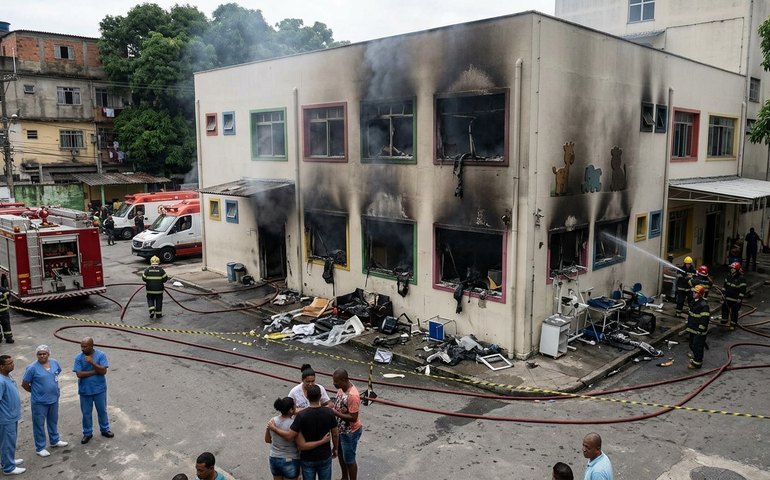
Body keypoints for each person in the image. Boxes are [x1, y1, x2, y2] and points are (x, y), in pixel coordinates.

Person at [21, 345, 68, 457]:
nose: (42, 356)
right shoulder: (32, 368)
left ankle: (54, 440)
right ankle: (40, 447)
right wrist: (37, 392)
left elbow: (56, 374)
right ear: (37, 355)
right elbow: (25, 384)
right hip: (39, 402)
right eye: (39, 354)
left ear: (48, 354)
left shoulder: (55, 363)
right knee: (39, 424)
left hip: (53, 399)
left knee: (53, 420)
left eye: (44, 353)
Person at [289, 385, 339, 480]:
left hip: (307, 457)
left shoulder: (301, 416)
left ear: (307, 396)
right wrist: (335, 448)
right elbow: (335, 433)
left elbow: (293, 435)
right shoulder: (329, 413)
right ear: (320, 396)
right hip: (325, 455)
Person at [73, 337, 113, 444]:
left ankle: (105, 429)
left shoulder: (101, 355)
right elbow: (79, 374)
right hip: (85, 391)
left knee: (102, 411)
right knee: (86, 413)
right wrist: (95, 372)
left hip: (99, 389)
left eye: (85, 347)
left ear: (91, 346)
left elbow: (104, 371)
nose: (82, 349)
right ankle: (87, 433)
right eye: (81, 346)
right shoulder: (78, 358)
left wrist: (92, 362)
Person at [332, 369, 362, 480]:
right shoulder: (341, 389)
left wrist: (335, 413)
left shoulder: (352, 395)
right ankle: (344, 477)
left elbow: (353, 418)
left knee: (349, 460)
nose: (334, 384)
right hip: (341, 430)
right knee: (340, 454)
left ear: (344, 380)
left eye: (336, 382)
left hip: (350, 432)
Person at [265, 397, 301, 480]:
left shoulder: (272, 421)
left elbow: (267, 440)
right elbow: (299, 446)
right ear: (291, 410)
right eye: (295, 406)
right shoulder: (294, 424)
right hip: (290, 460)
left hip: (274, 459)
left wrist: (269, 429)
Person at [0, 355, 24, 475]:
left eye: (12, 362)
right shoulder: (0, 381)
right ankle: (8, 468)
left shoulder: (7, 375)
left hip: (11, 416)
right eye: (9, 363)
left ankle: (7, 460)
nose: (12, 364)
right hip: (5, 418)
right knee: (7, 442)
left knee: (8, 442)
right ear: (1, 366)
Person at [686, 285, 710, 370]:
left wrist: (700, 329)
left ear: (700, 294)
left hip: (699, 331)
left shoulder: (703, 305)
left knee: (697, 346)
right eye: (693, 292)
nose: (693, 293)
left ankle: (697, 363)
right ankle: (696, 357)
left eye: (695, 292)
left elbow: (704, 319)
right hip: (693, 328)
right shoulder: (694, 302)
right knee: (692, 345)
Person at [721, 262, 746, 331]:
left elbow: (742, 290)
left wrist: (740, 299)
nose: (732, 269)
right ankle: (724, 321)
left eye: (733, 268)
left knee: (734, 312)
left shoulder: (741, 279)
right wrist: (723, 294)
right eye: (731, 268)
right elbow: (724, 287)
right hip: (727, 298)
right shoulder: (728, 276)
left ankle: (733, 324)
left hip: (736, 300)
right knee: (724, 308)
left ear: (737, 269)